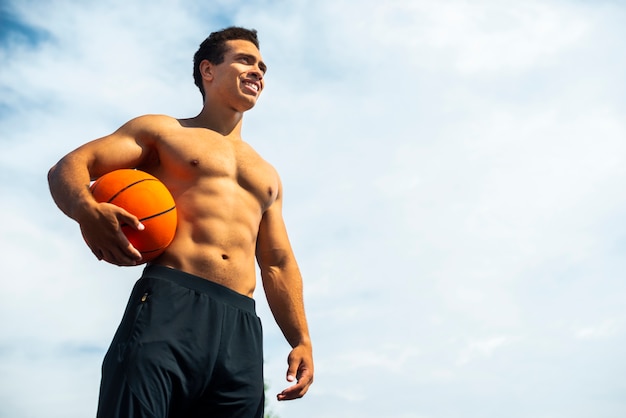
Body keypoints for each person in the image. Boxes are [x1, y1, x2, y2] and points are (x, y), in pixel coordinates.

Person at [47, 27, 314, 418]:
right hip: (170, 303)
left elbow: (277, 262)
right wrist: (87, 210)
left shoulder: (266, 174)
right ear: (208, 70)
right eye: (244, 60)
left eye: (262, 66)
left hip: (240, 324)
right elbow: (68, 167)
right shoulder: (163, 131)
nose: (257, 70)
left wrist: (301, 339)